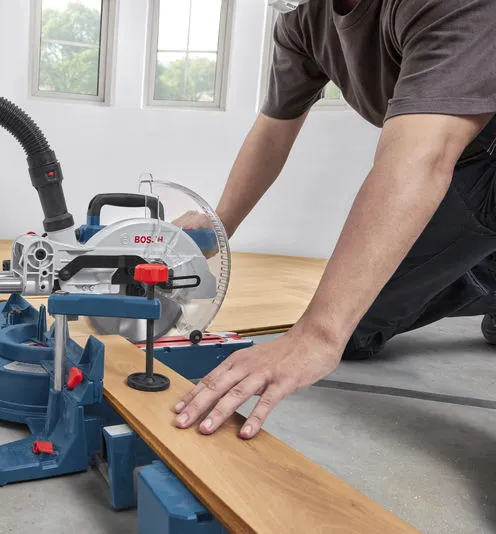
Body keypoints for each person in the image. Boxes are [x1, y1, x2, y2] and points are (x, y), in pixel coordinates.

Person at [172, 0, 496, 440]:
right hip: (467, 157)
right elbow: (274, 129)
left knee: (344, 330)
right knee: (360, 327)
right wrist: (220, 224)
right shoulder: (302, 18)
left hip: (480, 156)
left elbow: (423, 157)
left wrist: (317, 335)